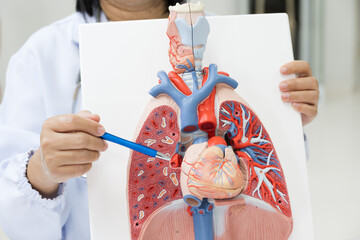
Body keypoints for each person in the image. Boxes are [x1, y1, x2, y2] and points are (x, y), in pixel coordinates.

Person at [0, 0, 319, 239]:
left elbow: (275, 176)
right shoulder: (41, 55)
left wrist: (289, 117)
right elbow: (10, 218)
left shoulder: (240, 39)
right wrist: (40, 172)